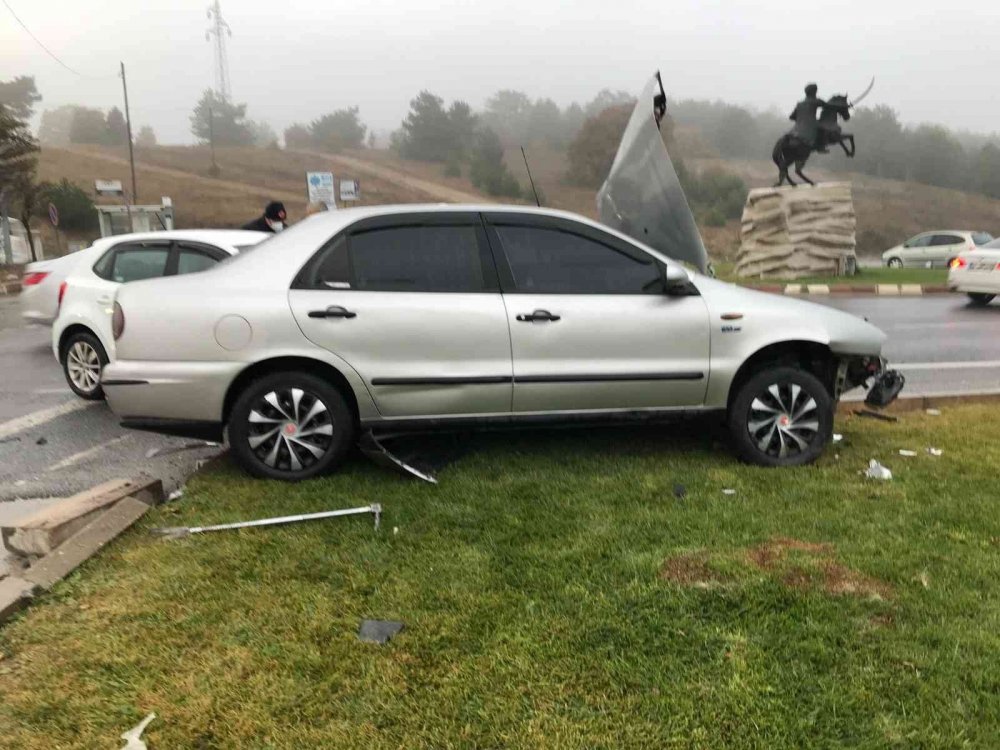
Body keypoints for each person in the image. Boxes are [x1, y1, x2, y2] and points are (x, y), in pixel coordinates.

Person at [789, 83, 828, 152]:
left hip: (798, 126)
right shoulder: (815, 101)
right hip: (811, 125)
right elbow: (828, 106)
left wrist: (800, 119)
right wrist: (844, 106)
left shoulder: (800, 103)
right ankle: (821, 147)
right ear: (814, 92)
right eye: (816, 91)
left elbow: (791, 117)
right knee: (824, 129)